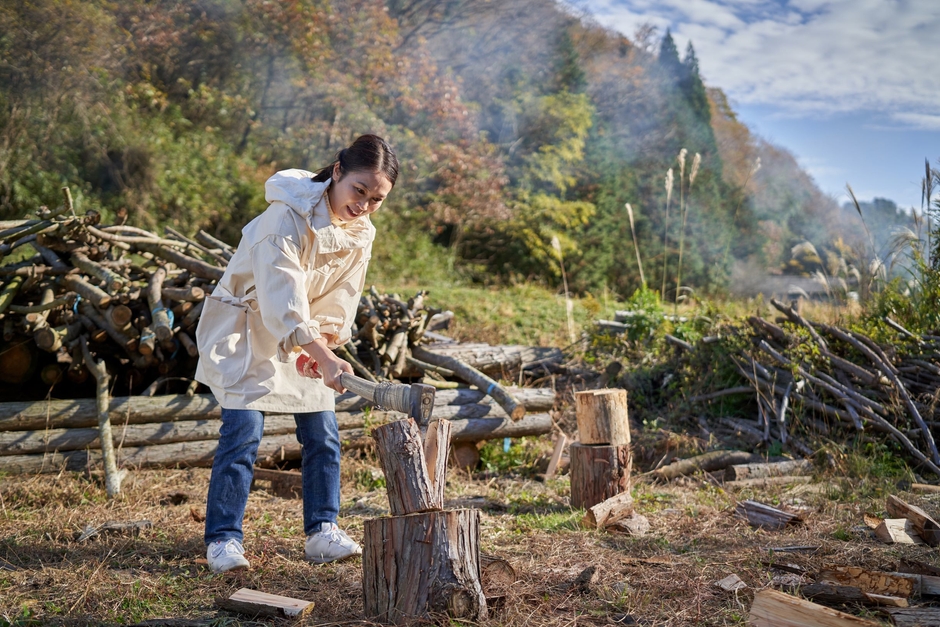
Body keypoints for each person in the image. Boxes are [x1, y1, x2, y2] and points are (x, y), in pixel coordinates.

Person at [194, 134, 398, 573]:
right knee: (243, 435)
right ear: (338, 172)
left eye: (376, 199)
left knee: (323, 435)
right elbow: (279, 299)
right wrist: (320, 353)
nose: (363, 205)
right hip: (246, 330)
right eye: (359, 191)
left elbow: (342, 293)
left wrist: (322, 342)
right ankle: (223, 540)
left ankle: (322, 531)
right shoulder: (283, 218)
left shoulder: (361, 231)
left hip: (301, 335)